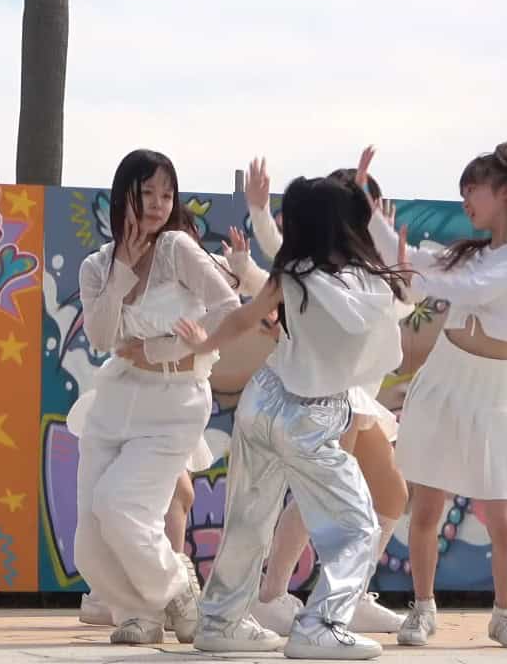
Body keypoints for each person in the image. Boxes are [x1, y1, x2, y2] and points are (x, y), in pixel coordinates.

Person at [181, 167, 408, 659]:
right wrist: (391, 247)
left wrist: (204, 344)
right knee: (356, 527)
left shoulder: (293, 274)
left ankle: (220, 620)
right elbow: (401, 302)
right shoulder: (364, 282)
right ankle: (320, 624)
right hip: (312, 414)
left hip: (262, 399)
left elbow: (244, 318)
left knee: (248, 519)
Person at [365, 141, 507, 649]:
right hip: (444, 381)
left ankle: (504, 615)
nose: (466, 200)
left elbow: (472, 288)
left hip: (492, 393)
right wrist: (371, 213)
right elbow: (413, 266)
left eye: (472, 189)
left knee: (502, 517)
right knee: (426, 509)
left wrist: (420, 270)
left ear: (505, 191)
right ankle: (422, 609)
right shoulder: (472, 255)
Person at [73, 149, 241, 645]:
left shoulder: (177, 248)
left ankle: (178, 589)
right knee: (89, 542)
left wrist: (171, 346)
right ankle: (141, 613)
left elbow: (228, 308)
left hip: (175, 400)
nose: (157, 203)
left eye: (166, 194)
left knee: (120, 505)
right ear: (122, 196)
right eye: (146, 192)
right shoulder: (97, 266)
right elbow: (101, 336)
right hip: (116, 396)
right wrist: (122, 270)